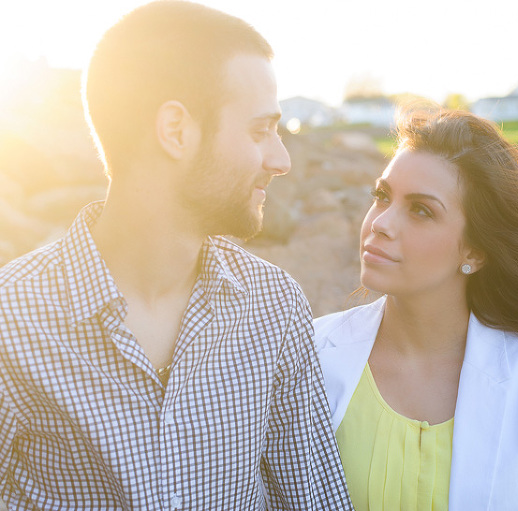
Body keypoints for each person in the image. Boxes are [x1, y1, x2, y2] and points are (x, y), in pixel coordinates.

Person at [0, 2, 352, 509]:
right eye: (259, 130)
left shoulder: (274, 306)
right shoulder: (13, 316)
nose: (281, 159)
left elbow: (315, 500)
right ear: (176, 130)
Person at [315, 107, 518, 510]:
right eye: (382, 196)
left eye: (421, 210)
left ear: (476, 249)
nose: (381, 222)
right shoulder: (309, 351)